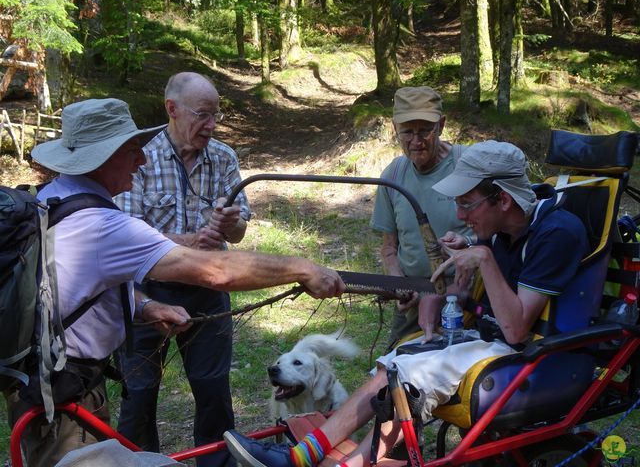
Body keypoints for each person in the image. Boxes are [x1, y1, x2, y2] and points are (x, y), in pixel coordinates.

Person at [4, 97, 345, 467]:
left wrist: (145, 306)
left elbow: (69, 283)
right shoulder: (102, 225)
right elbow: (216, 271)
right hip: (63, 398)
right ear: (103, 157)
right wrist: (302, 268)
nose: (143, 159)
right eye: (133, 150)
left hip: (50, 385)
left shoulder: (54, 197)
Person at [223, 140, 590, 467]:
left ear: (504, 200)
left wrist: (484, 259)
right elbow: (487, 300)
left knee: (409, 385)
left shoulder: (557, 232)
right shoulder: (502, 230)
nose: (461, 216)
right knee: (392, 366)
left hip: (529, 355)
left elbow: (515, 328)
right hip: (490, 339)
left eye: (466, 204)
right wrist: (447, 293)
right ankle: (300, 458)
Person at [113, 72, 249, 467]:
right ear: (172, 110)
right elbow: (128, 235)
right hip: (146, 293)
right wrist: (192, 241)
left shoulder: (223, 157)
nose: (212, 125)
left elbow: (239, 232)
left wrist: (229, 225)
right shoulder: (138, 157)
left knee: (213, 392)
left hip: (207, 287)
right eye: (203, 115)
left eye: (216, 116)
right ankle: (140, 464)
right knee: (138, 395)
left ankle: (217, 463)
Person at [370, 86, 473, 349]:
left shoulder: (469, 166)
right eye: (407, 131)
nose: (416, 141)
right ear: (395, 130)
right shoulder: (393, 176)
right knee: (393, 374)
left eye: (425, 130)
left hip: (464, 297)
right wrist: (399, 284)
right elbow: (389, 248)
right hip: (414, 299)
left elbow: (497, 234)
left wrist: (468, 242)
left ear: (441, 125)